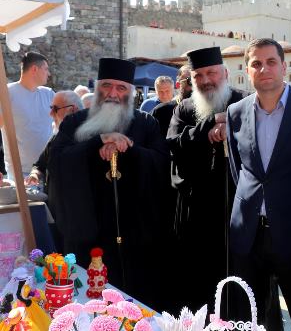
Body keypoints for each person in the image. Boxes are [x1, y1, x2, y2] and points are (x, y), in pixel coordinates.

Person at [226, 38, 291, 330]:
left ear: (284, 67)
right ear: (247, 71)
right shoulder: (235, 113)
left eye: (271, 62)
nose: (264, 68)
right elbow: (240, 169)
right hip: (248, 234)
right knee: (251, 319)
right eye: (256, 63)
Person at [47, 58, 169, 306]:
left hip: (137, 237)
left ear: (130, 92)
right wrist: (97, 141)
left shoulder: (146, 124)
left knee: (139, 305)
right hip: (89, 235)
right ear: (98, 88)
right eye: (107, 86)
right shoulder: (74, 123)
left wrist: (128, 146)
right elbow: (56, 162)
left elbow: (162, 165)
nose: (113, 93)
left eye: (121, 88)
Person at [166, 47, 245, 311]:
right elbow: (173, 144)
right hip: (196, 213)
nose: (206, 79)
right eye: (198, 75)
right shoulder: (184, 109)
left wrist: (229, 125)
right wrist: (208, 123)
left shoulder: (245, 102)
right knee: (198, 288)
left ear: (225, 73)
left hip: (237, 209)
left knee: (239, 287)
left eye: (211, 72)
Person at [0, 52, 55, 182]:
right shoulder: (7, 94)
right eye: (46, 69)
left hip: (47, 170)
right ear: (34, 69)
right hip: (20, 175)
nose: (49, 73)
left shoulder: (49, 94)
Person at [25, 91, 83, 190]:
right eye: (51, 108)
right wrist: (35, 174)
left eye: (55, 109)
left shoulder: (87, 138)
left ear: (72, 110)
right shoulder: (56, 138)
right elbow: (39, 165)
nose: (51, 114)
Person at [150, 65, 192, 138]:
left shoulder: (212, 110)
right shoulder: (161, 111)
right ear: (178, 85)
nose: (196, 84)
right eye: (190, 81)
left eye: (198, 78)